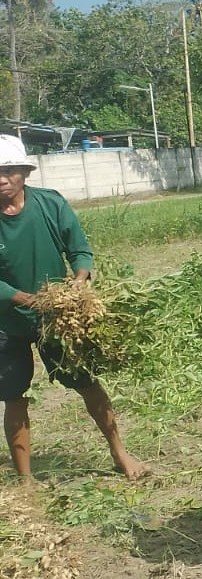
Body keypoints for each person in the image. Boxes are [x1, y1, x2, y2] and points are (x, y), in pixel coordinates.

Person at [0, 135, 146, 481]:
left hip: (57, 317)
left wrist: (80, 280)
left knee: (87, 383)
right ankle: (26, 480)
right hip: (6, 322)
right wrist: (22, 298)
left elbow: (79, 249)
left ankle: (120, 453)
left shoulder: (50, 204)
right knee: (13, 395)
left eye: (8, 170)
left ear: (24, 172)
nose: (2, 179)